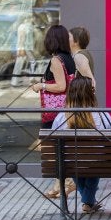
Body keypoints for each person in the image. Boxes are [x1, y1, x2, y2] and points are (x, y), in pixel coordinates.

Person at [52, 76, 111, 214]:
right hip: (98, 163)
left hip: (70, 163)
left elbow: (52, 141)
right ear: (90, 93)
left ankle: (88, 201)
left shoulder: (61, 117)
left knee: (74, 162)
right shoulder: (102, 115)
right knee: (94, 162)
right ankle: (88, 202)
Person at [31, 24, 77, 199]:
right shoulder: (69, 58)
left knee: (48, 147)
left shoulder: (57, 60)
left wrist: (41, 85)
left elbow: (61, 86)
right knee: (58, 148)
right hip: (66, 109)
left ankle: (68, 181)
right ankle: (59, 185)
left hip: (54, 112)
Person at [11, 14, 35, 87]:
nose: (33, 19)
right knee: (31, 62)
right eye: (32, 18)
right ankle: (31, 79)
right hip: (24, 47)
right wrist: (21, 49)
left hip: (24, 47)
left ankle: (15, 82)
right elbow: (22, 38)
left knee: (20, 63)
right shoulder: (23, 27)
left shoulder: (25, 26)